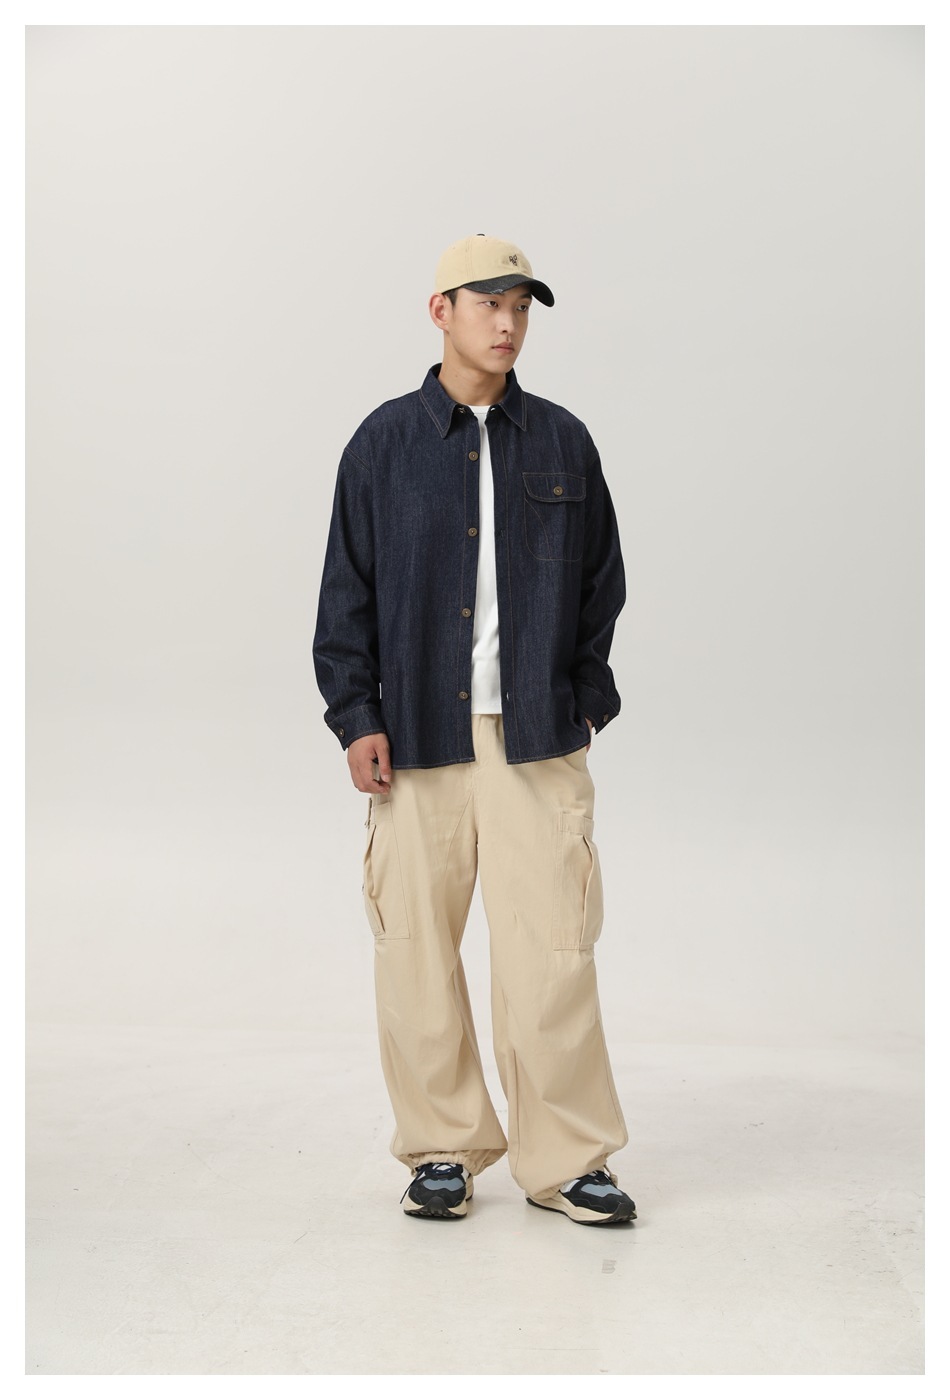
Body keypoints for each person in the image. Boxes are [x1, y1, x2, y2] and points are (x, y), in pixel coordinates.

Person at [312, 234, 635, 1227]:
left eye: (521, 307)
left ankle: (567, 1157)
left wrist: (585, 697)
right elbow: (345, 593)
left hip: (536, 735)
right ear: (439, 310)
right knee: (413, 948)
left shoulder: (563, 441)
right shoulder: (382, 445)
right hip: (416, 736)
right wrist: (355, 715)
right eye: (488, 302)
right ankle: (441, 1146)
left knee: (553, 950)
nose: (507, 323)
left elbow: (603, 582)